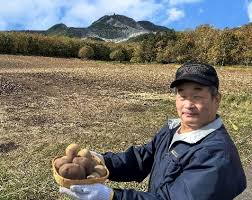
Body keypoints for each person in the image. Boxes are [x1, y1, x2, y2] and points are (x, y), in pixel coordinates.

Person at [59, 62, 247, 200]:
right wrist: (101, 160)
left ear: (217, 99)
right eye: (182, 96)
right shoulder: (174, 128)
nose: (188, 105)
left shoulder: (216, 155)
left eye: (197, 96)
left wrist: (112, 197)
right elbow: (142, 158)